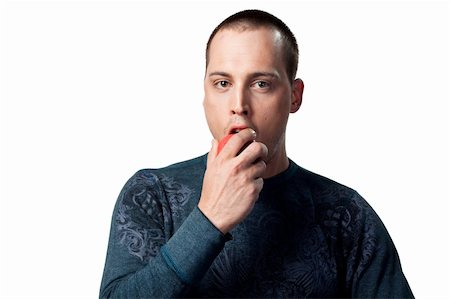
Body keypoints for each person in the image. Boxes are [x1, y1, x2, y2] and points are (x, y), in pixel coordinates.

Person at [100, 9, 414, 298]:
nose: (239, 103)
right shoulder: (152, 195)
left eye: (261, 83)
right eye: (222, 83)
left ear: (294, 95)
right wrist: (209, 218)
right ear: (205, 94)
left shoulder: (347, 214)